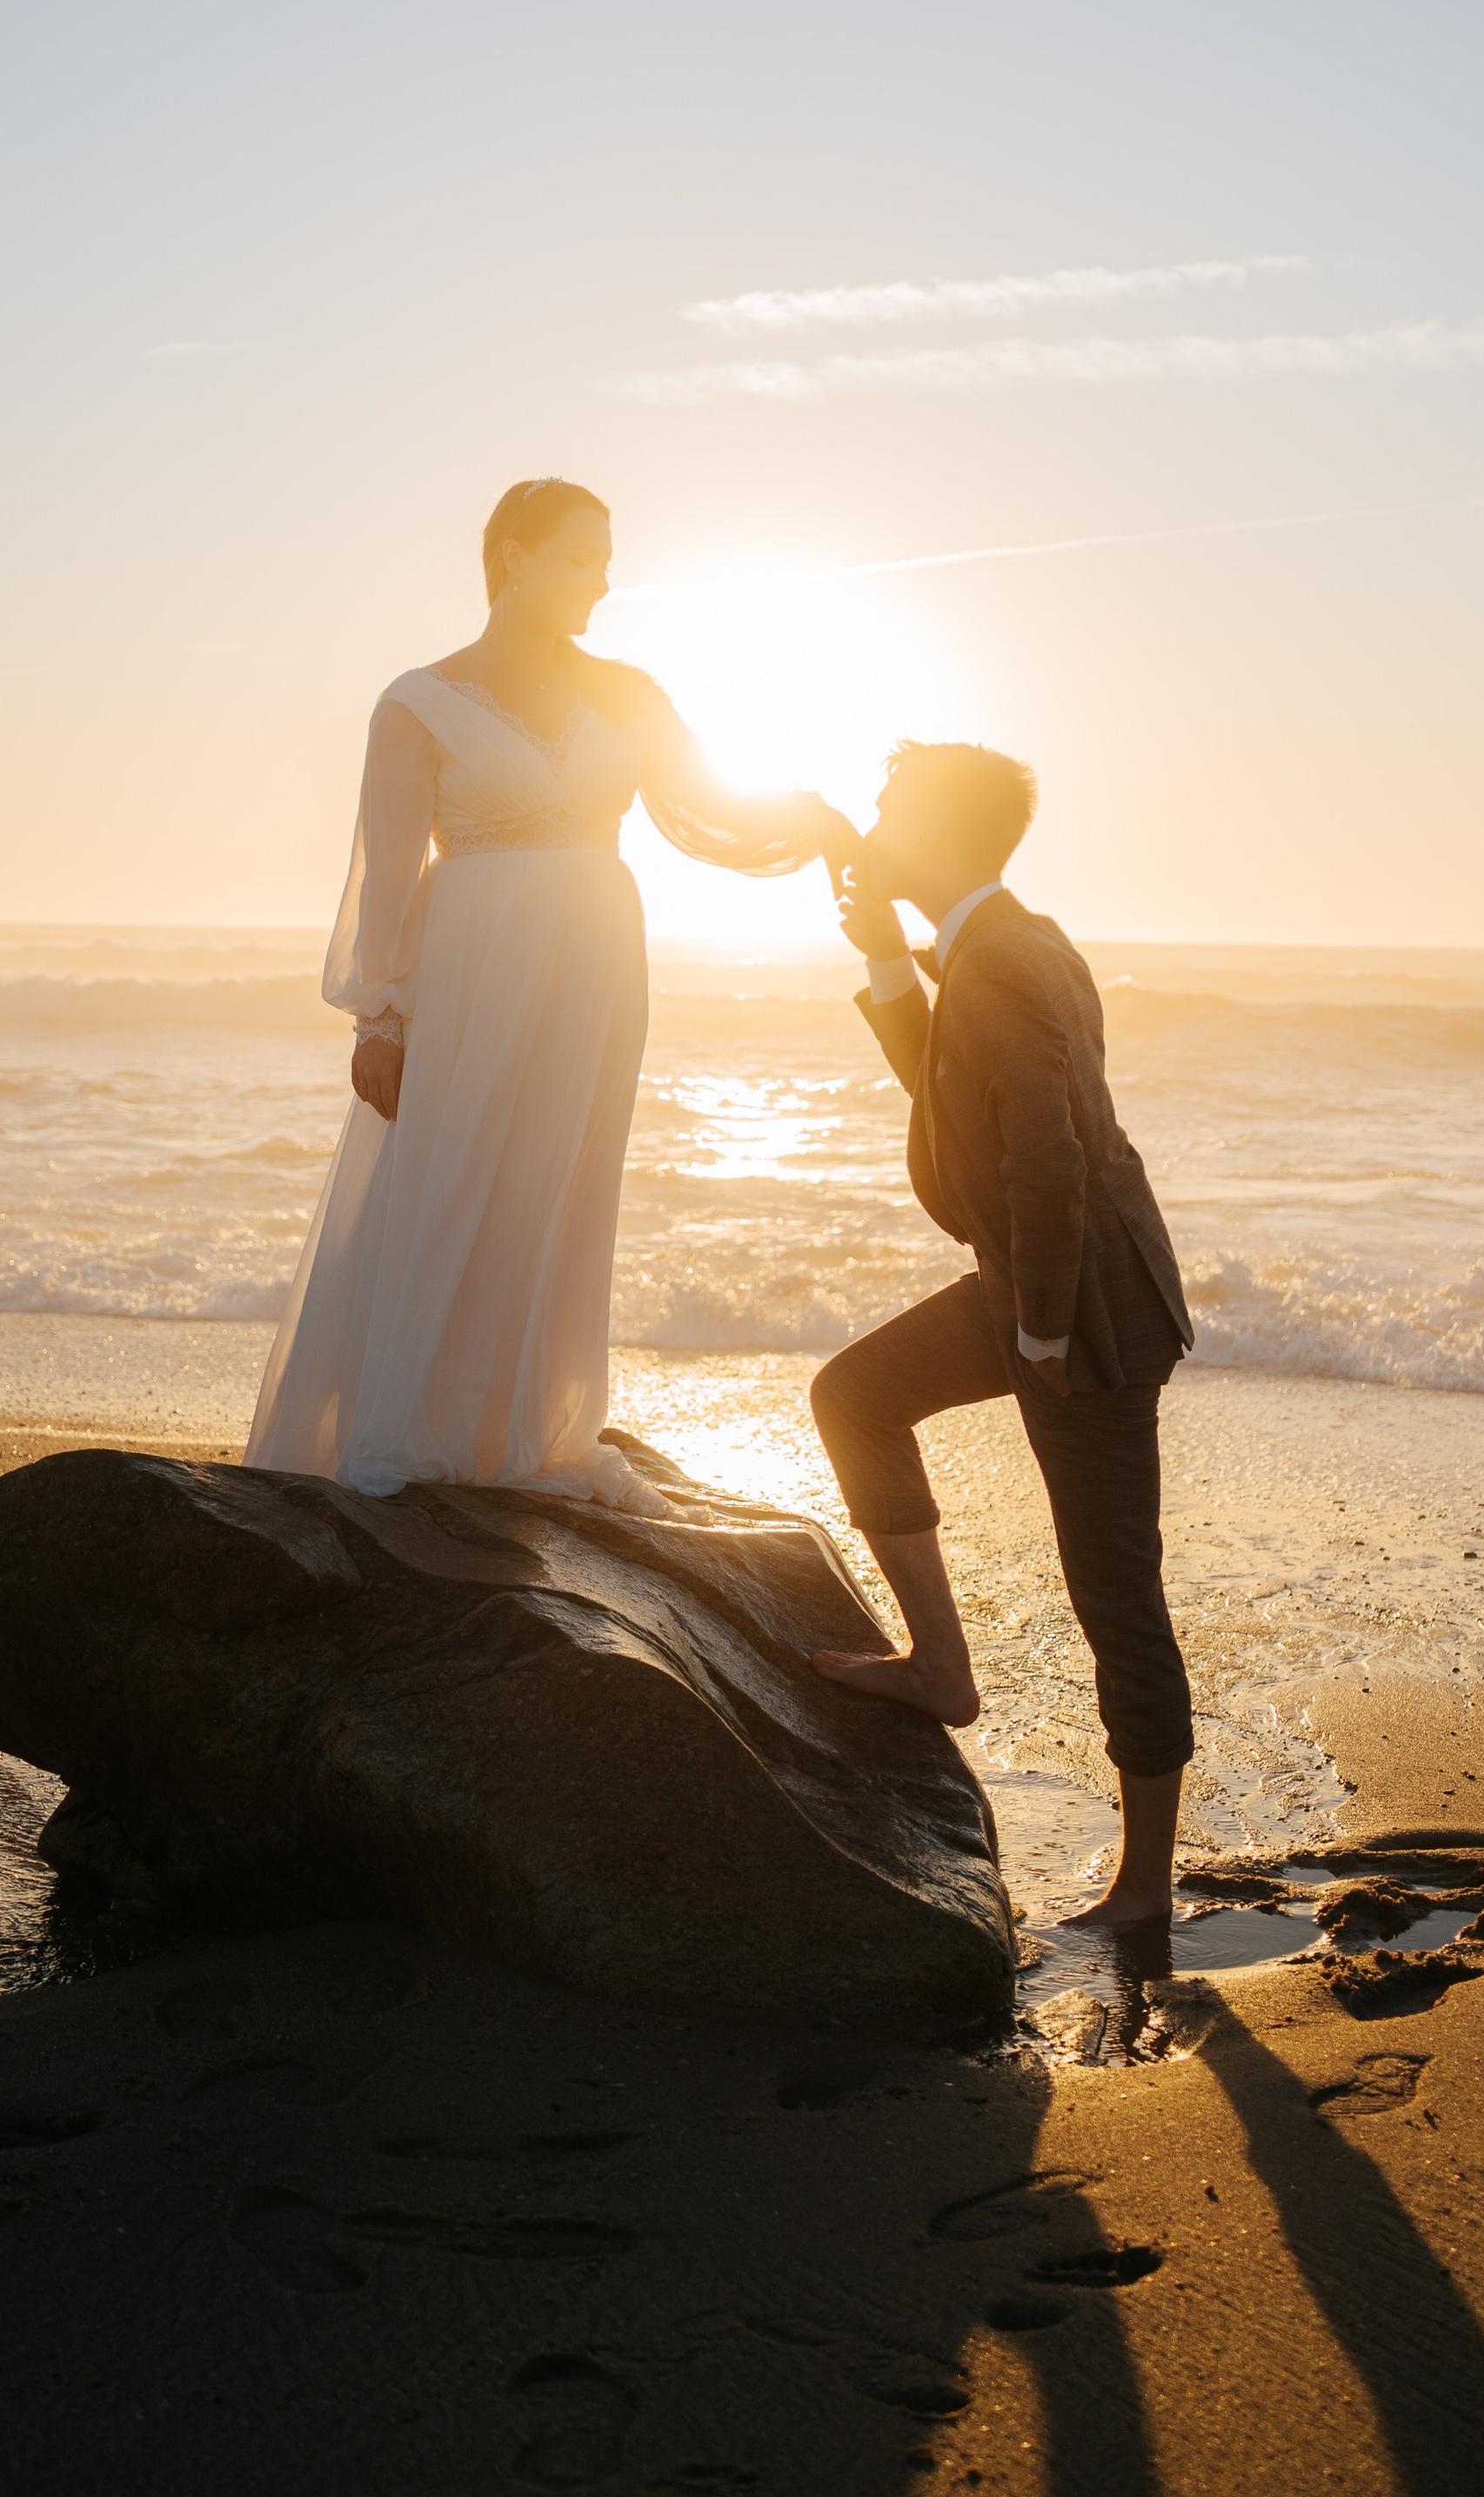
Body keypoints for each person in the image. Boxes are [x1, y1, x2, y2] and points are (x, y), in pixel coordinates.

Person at [245, 479, 852, 1509]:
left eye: (607, 560)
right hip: (470, 964)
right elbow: (388, 877)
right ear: (513, 557)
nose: (601, 580)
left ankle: (519, 1431)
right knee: (445, 1180)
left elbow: (710, 804)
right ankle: (409, 1427)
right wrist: (380, 1015)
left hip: (595, 964)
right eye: (580, 557)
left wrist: (821, 820)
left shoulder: (629, 691)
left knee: (554, 1185)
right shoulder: (416, 701)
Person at [809, 740, 1196, 1929]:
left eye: (886, 813)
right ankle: (940, 1667)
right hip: (1040, 1279)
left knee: (1113, 1586)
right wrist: (878, 945)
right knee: (855, 1396)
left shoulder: (1007, 961)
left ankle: (1142, 1888)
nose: (873, 829)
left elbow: (1049, 1155)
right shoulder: (1001, 941)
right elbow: (942, 1079)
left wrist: (1036, 1327)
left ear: (934, 832)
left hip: (1085, 1311)